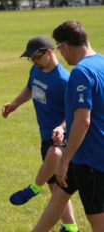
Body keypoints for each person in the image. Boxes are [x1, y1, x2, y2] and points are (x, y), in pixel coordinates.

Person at [1, 36, 79, 232]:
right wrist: (14, 104)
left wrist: (61, 128)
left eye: (36, 57)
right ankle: (70, 228)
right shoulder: (36, 70)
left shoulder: (64, 80)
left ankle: (34, 188)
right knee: (57, 189)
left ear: (50, 52)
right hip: (45, 135)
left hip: (61, 135)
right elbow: (30, 88)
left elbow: (74, 113)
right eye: (31, 58)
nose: (33, 61)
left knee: (55, 155)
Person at [32, 21, 104, 232]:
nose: (61, 55)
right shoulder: (101, 61)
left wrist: (64, 160)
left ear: (66, 46)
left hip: (91, 159)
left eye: (60, 49)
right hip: (82, 153)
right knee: (59, 197)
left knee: (97, 221)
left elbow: (83, 121)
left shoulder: (81, 72)